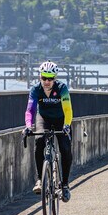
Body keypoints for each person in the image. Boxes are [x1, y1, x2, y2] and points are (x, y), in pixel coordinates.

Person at [23, 60, 74, 202]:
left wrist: (67, 125)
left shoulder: (62, 88)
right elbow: (30, 110)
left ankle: (64, 184)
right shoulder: (36, 89)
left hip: (61, 120)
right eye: (43, 77)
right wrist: (28, 126)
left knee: (65, 149)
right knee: (39, 141)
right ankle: (40, 179)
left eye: (50, 79)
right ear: (40, 77)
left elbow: (68, 110)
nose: (46, 81)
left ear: (55, 78)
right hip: (43, 118)